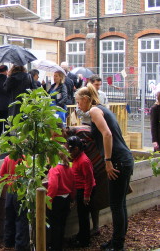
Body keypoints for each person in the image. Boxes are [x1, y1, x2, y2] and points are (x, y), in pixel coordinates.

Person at [75, 84, 134, 251]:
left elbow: (107, 134)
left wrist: (108, 161)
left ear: (86, 99)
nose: (78, 106)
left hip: (117, 161)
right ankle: (117, 241)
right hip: (125, 159)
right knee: (120, 204)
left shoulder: (94, 111)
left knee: (116, 205)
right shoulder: (102, 109)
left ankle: (117, 245)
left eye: (79, 102)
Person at [67, 136, 96, 248]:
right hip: (79, 190)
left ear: (77, 149)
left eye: (71, 150)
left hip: (85, 190)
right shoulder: (76, 158)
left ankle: (85, 240)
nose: (70, 152)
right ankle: (81, 235)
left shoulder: (84, 161)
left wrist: (86, 196)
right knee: (81, 215)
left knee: (84, 216)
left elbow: (89, 179)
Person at [46, 149, 75, 251]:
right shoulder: (68, 168)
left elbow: (53, 186)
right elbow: (72, 184)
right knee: (62, 224)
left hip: (57, 200)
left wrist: (48, 200)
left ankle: (55, 247)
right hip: (66, 199)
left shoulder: (55, 169)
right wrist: (72, 197)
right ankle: (60, 244)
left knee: (55, 225)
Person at [1, 155, 30, 250]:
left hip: (10, 189)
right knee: (21, 217)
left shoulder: (8, 158)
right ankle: (20, 245)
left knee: (9, 216)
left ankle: (8, 242)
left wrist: (9, 181)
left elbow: (2, 174)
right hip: (20, 190)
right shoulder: (26, 158)